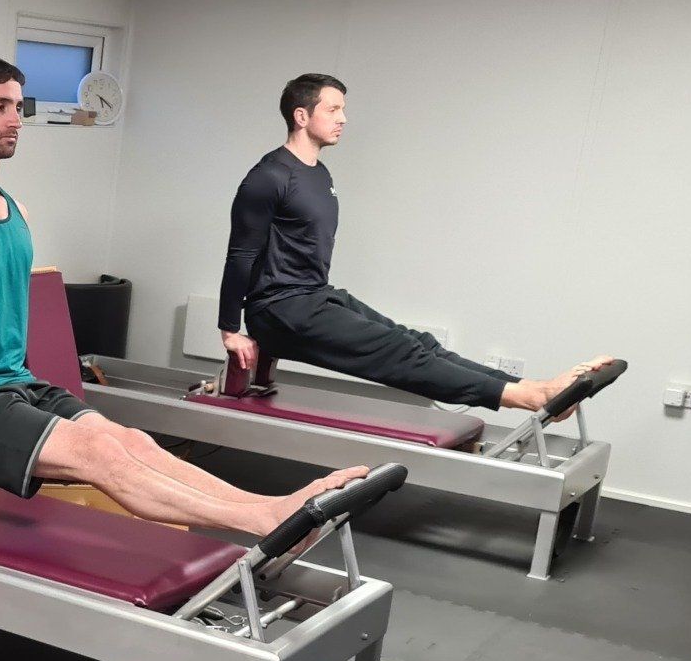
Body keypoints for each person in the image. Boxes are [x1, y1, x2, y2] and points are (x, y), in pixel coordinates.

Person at [0, 55, 365, 536]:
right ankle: (261, 523)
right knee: (101, 456)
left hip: (15, 385)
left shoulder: (15, 210)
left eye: (19, 107)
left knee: (131, 441)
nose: (15, 119)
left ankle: (276, 507)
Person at [218, 73, 615, 412]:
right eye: (333, 110)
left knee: (415, 341)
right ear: (301, 116)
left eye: (343, 109)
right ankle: (530, 397)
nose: (344, 119)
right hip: (280, 311)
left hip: (313, 296)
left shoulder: (318, 174)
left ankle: (531, 387)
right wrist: (230, 329)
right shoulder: (269, 176)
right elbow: (241, 254)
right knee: (395, 349)